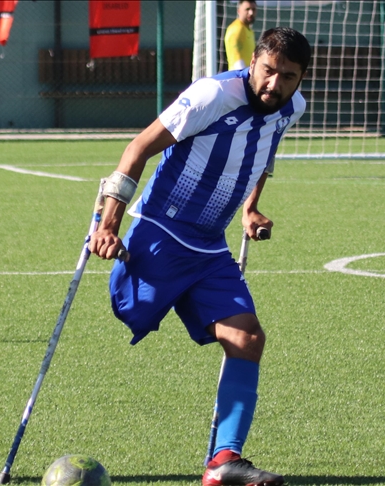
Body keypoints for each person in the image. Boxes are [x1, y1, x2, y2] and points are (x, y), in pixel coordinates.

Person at [88, 27, 310, 486]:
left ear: (300, 78)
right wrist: (107, 224)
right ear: (254, 63)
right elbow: (138, 148)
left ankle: (223, 461)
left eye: (288, 77)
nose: (275, 85)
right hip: (160, 233)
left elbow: (262, 155)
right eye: (269, 72)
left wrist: (249, 209)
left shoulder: (292, 108)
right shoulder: (213, 94)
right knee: (129, 307)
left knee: (248, 338)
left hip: (210, 247)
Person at [225, 0, 257, 70]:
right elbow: (236, 57)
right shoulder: (237, 29)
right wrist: (243, 77)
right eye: (247, 9)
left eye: (253, 9)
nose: (251, 13)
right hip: (239, 76)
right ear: (239, 11)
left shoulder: (248, 30)